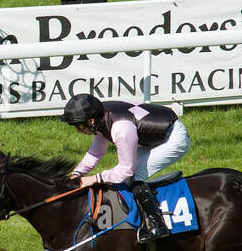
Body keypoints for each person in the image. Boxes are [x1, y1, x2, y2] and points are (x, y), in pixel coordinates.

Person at [61, 94, 190, 243]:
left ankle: (157, 224)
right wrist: (77, 174)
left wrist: (95, 178)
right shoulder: (100, 118)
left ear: (90, 121)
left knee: (132, 175)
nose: (78, 130)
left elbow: (126, 170)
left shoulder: (120, 129)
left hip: (173, 138)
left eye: (79, 126)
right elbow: (95, 153)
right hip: (151, 134)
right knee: (125, 177)